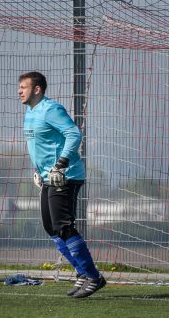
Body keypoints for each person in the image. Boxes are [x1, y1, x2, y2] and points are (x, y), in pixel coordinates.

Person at [19, 71, 106, 298]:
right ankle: (83, 274)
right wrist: (39, 170)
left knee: (64, 226)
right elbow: (41, 146)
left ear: (37, 89)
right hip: (48, 176)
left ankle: (93, 277)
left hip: (65, 175)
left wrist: (61, 164)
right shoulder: (30, 112)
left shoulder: (51, 109)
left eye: (24, 87)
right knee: (52, 228)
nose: (19, 91)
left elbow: (74, 134)